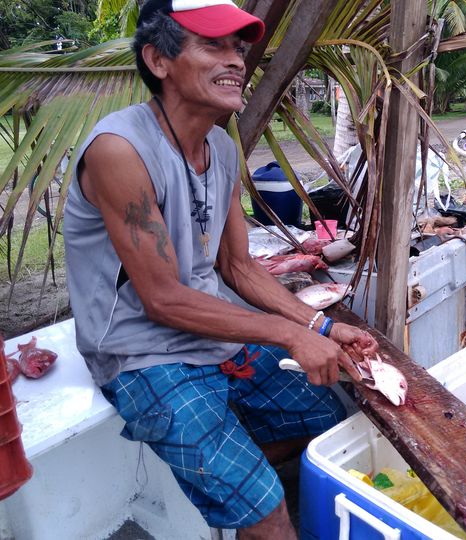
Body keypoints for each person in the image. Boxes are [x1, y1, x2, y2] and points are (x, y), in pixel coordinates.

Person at [62, 0, 378, 537]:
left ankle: (232, 478)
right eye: (213, 45)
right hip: (141, 354)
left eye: (237, 47)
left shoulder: (221, 147)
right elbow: (163, 299)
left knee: (327, 420)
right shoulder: (120, 150)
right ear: (158, 60)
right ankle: (250, 498)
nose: (236, 60)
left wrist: (320, 326)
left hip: (210, 335)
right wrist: (290, 334)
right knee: (267, 510)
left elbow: (238, 266)